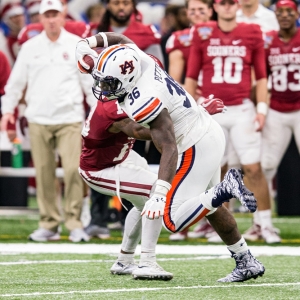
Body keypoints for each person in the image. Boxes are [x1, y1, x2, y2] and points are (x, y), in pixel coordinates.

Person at [75, 32, 265, 282]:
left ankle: (226, 189)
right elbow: (123, 40)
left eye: (109, 83)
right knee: (207, 206)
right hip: (205, 130)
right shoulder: (142, 59)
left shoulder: (139, 100)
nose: (103, 88)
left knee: (171, 218)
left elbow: (167, 145)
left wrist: (161, 192)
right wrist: (90, 42)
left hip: (194, 143)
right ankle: (245, 259)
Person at [184, 0, 281, 244]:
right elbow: (191, 76)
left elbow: (261, 76)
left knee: (253, 169)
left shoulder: (251, 31)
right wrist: (189, 110)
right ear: (215, 6)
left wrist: (261, 109)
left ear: (236, 5)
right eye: (222, 3)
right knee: (218, 171)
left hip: (241, 110)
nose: (227, 7)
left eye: (231, 2)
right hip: (213, 109)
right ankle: (225, 226)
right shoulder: (203, 32)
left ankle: (265, 225)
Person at [1, 0, 96, 242]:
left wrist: (95, 112)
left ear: (63, 15)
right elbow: (15, 83)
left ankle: (74, 223)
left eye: (55, 14)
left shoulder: (77, 45)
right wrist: (7, 111)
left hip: (70, 117)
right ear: (41, 19)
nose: (52, 19)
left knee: (74, 170)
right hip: (38, 117)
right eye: (47, 15)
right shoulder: (30, 47)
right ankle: (49, 223)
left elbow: (89, 84)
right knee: (43, 173)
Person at [166, 0, 219, 242]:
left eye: (202, 10)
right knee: (187, 165)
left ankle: (211, 218)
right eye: (193, 10)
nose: (197, 14)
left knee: (215, 167)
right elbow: (174, 79)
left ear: (211, 11)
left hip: (217, 101)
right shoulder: (180, 38)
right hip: (190, 107)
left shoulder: (223, 34)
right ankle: (185, 219)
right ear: (186, 13)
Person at [261, 0, 300, 233]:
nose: (284, 16)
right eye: (280, 12)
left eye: (289, 12)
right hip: (276, 108)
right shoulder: (268, 41)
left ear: (296, 14)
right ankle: (262, 223)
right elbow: (261, 77)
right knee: (266, 166)